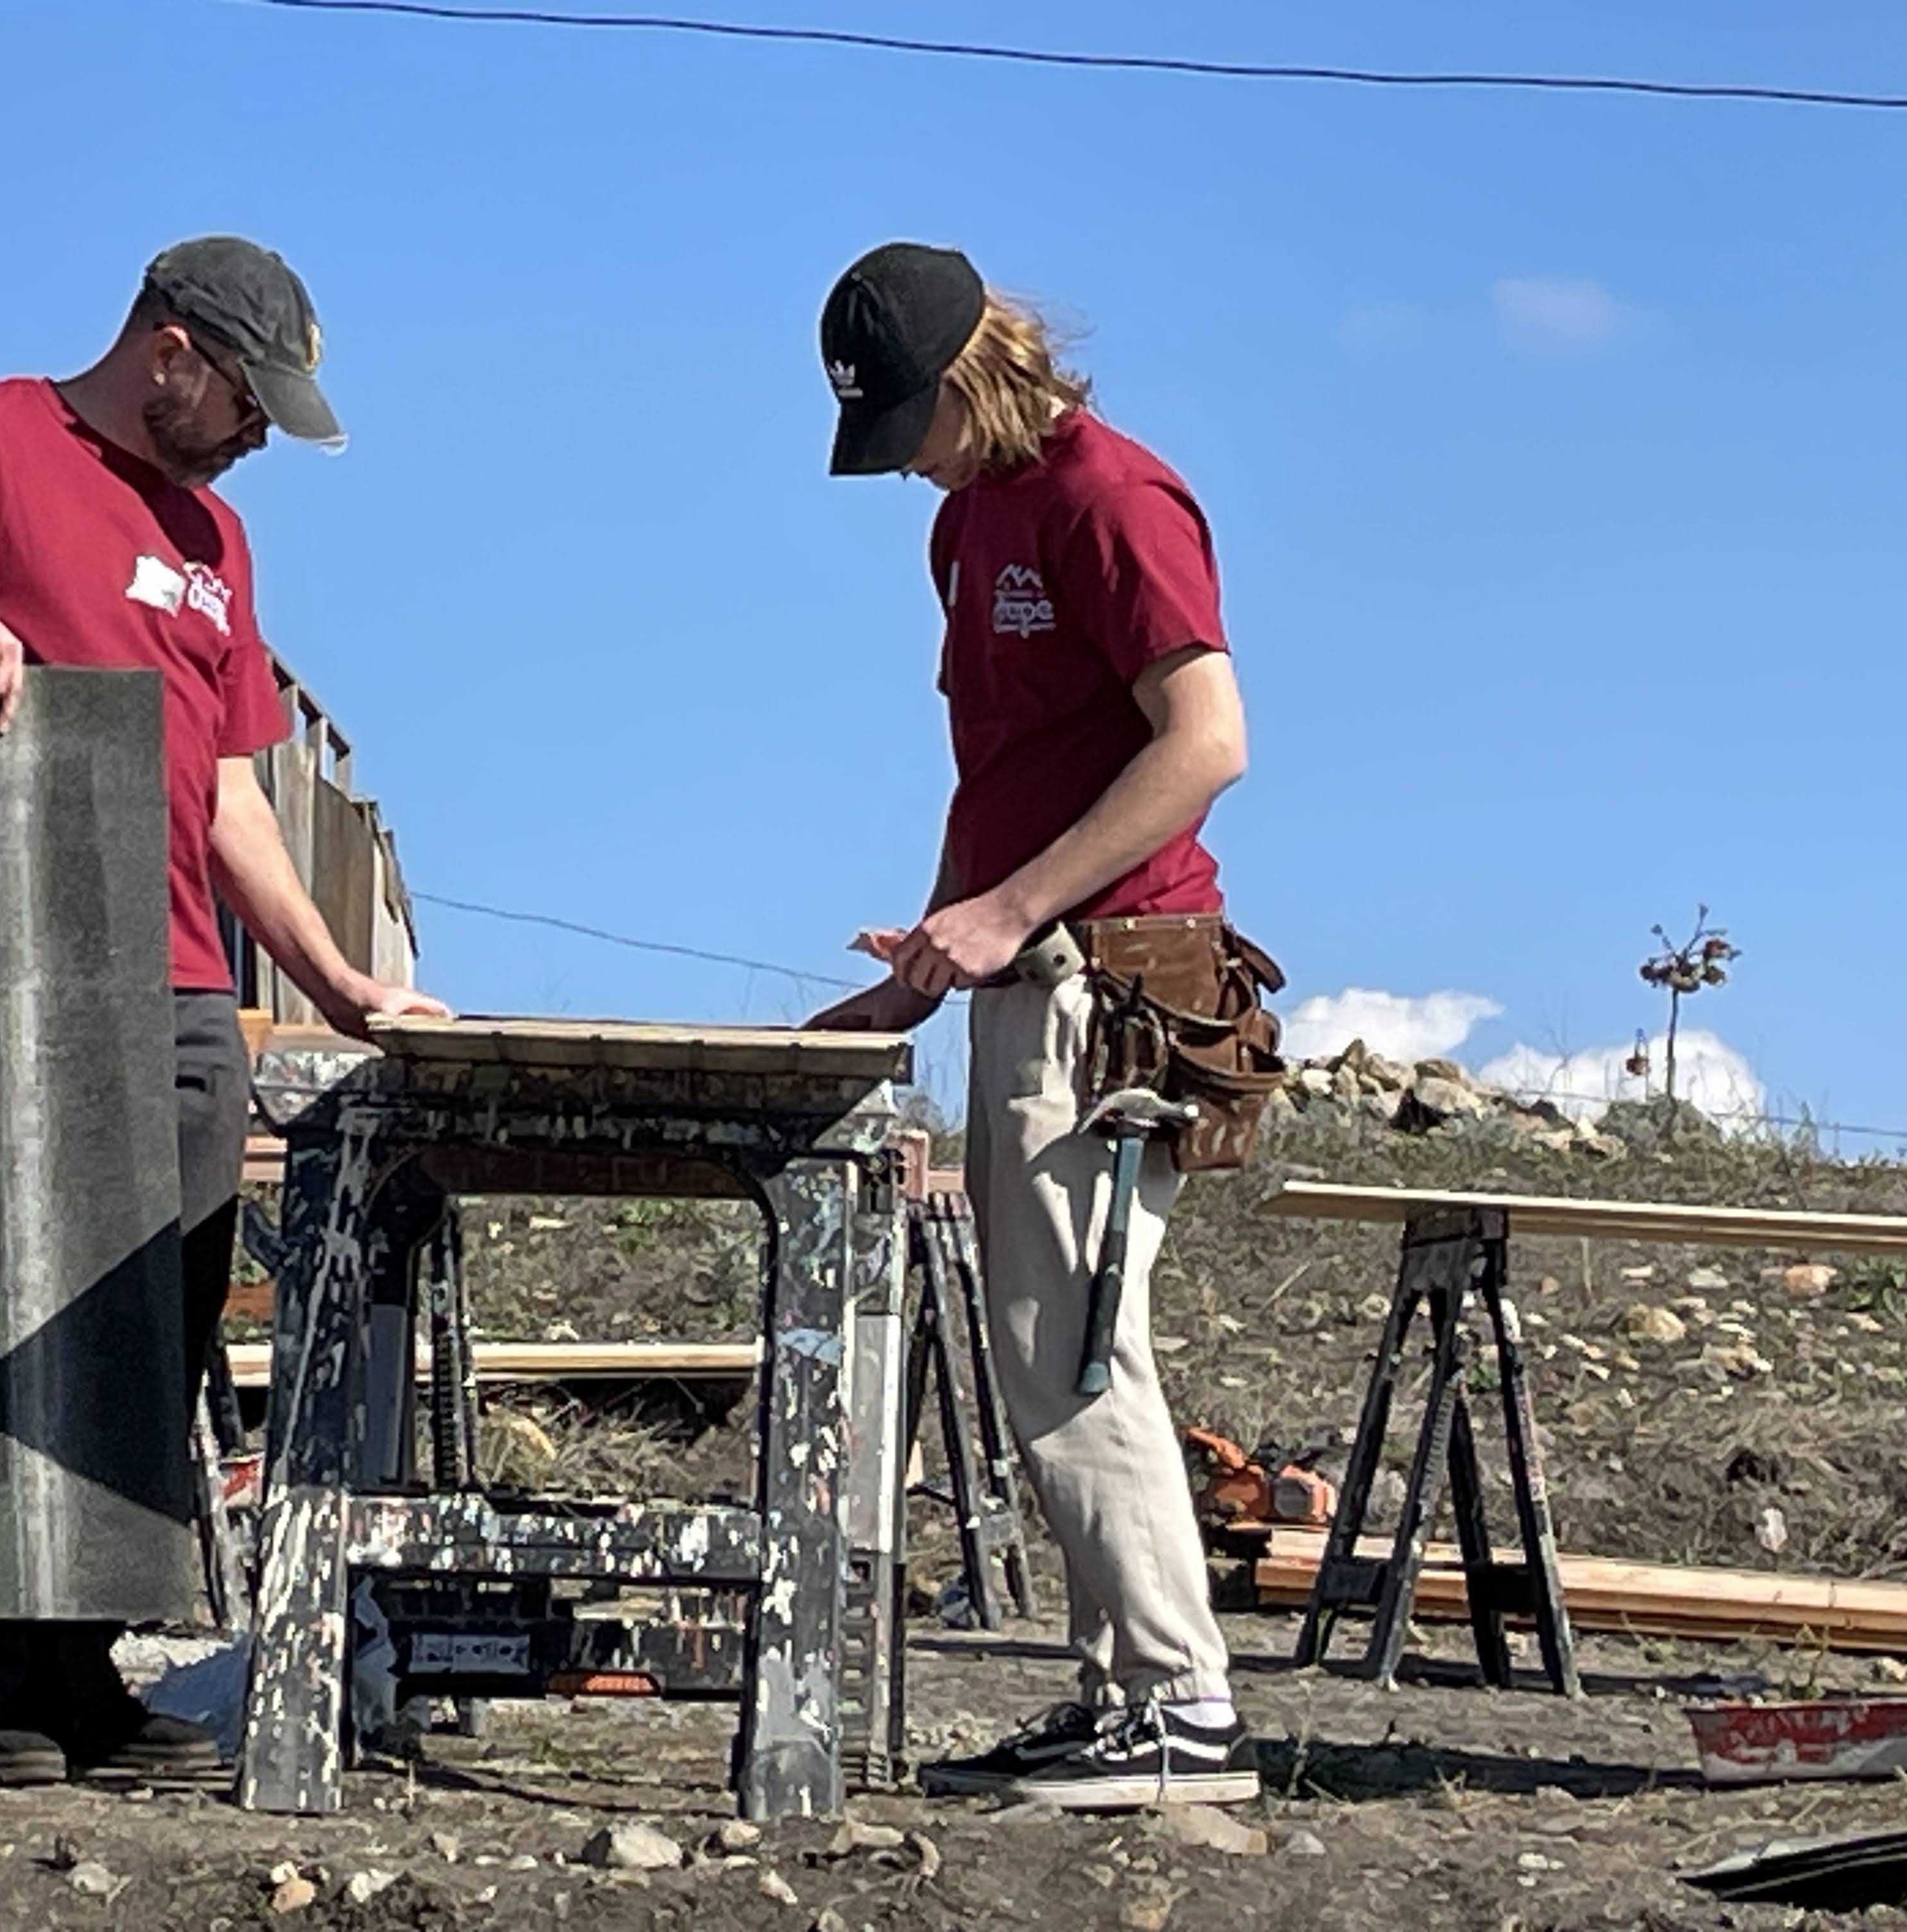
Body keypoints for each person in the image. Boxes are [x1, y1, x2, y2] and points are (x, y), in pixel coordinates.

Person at [0, 236, 448, 1786]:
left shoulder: (217, 541)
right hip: (4, 956)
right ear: (171, 350)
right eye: (251, 398)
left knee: (143, 1330)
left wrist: (331, 978)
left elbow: (236, 790)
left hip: (179, 983)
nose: (261, 435)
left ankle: (74, 1679)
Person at [808, 241, 1262, 1809]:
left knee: (1070, 1340)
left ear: (973, 373)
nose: (904, 460)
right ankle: (1116, 1694)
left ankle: (1181, 1708)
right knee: (1036, 1339)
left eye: (910, 423)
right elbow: (997, 768)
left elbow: (1206, 742)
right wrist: (932, 959)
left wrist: (1013, 918)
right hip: (1024, 966)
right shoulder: (967, 522)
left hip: (1117, 971)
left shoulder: (1113, 498)